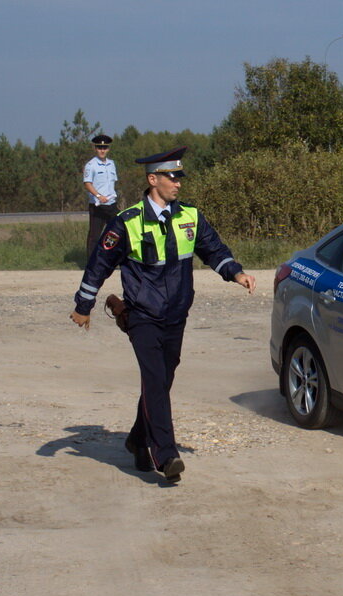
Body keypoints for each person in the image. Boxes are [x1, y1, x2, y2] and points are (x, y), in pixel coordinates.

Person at [69, 147, 256, 484]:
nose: (178, 184)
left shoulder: (190, 217)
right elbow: (98, 264)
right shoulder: (126, 222)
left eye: (180, 177)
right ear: (153, 180)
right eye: (172, 177)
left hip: (176, 315)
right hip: (143, 315)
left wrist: (236, 273)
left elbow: (214, 250)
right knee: (155, 381)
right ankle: (165, 455)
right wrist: (84, 306)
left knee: (163, 380)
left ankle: (138, 441)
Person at [83, 134, 119, 256]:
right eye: (99, 147)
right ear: (95, 149)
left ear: (108, 149)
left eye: (105, 148)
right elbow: (87, 184)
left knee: (118, 231)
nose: (102, 150)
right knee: (94, 235)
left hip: (111, 204)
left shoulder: (111, 164)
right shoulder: (91, 165)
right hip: (97, 205)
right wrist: (98, 196)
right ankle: (91, 262)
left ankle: (113, 257)